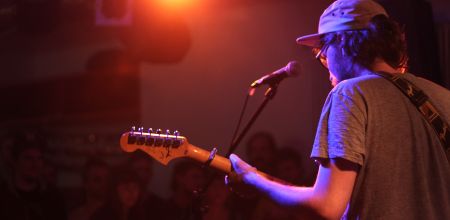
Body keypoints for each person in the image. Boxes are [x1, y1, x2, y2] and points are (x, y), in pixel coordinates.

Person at [227, 0, 450, 219]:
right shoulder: (443, 96)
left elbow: (327, 205)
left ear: (342, 41)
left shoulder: (350, 93)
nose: (326, 64)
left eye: (323, 53)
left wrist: (252, 180)